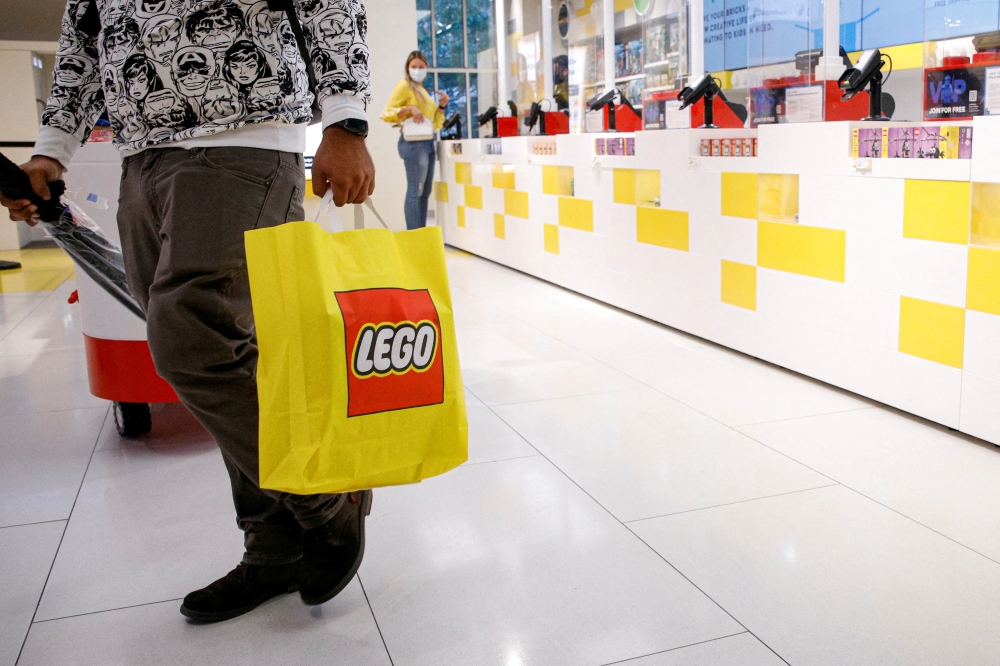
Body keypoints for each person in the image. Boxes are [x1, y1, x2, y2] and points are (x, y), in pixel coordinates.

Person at [0, 0, 376, 623]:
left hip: (242, 139)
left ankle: (327, 493)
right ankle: (274, 545)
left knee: (190, 343)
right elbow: (84, 38)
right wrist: (52, 147)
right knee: (226, 355)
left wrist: (345, 119)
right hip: (140, 159)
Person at [380, 51, 448, 230]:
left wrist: (441, 106)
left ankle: (421, 233)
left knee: (424, 192)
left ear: (427, 68)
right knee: (415, 190)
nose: (418, 70)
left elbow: (435, 124)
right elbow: (387, 113)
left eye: (421, 67)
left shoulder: (423, 90)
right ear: (408, 69)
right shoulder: (404, 86)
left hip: (428, 142)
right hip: (413, 145)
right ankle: (413, 235)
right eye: (414, 67)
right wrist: (410, 109)